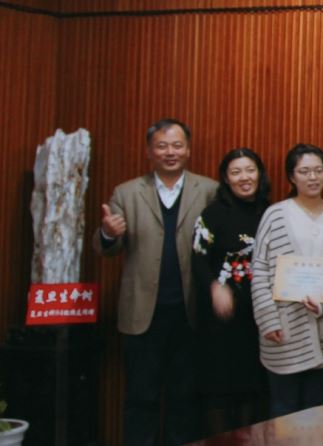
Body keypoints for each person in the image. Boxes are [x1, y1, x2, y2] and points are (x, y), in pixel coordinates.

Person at [96, 118, 218, 445]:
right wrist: (108, 233)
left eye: (177, 145)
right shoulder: (126, 192)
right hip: (142, 314)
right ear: (149, 151)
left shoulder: (209, 190)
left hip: (191, 312)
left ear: (188, 150)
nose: (170, 152)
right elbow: (106, 248)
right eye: (162, 146)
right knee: (141, 397)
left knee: (186, 398)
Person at [250, 143, 323, 416]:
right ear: (291, 177)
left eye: (318, 170)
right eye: (304, 171)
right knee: (283, 413)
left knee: (317, 414)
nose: (313, 177)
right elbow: (259, 269)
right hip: (282, 330)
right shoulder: (275, 215)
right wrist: (267, 319)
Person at [191, 148, 271, 435]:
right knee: (218, 392)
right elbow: (197, 258)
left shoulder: (270, 212)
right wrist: (215, 287)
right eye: (236, 172)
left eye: (250, 170)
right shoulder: (212, 214)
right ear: (225, 178)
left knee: (252, 390)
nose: (244, 178)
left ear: (260, 174)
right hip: (219, 319)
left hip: (257, 317)